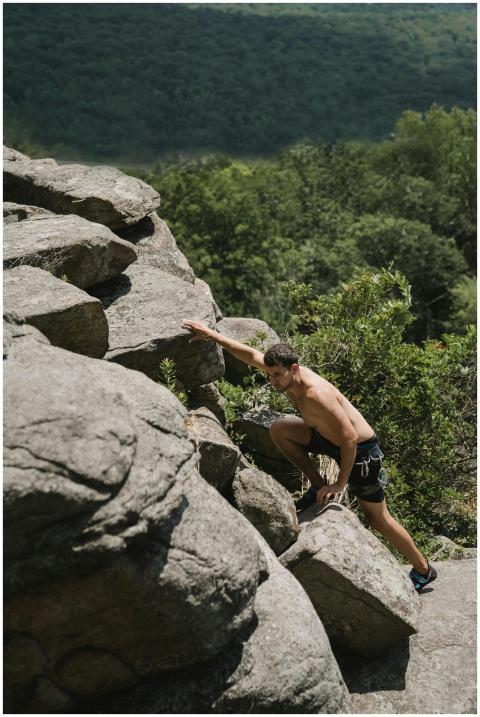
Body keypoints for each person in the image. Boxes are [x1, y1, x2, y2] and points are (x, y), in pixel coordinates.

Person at [182, 319, 438, 592]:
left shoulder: (317, 394)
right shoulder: (285, 373)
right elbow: (251, 355)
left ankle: (424, 569)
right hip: (327, 440)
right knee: (280, 429)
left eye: (277, 375)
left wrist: (339, 484)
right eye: (270, 375)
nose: (273, 380)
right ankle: (316, 483)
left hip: (361, 453)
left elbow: (350, 438)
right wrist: (212, 335)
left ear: (294, 369)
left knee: (378, 519)